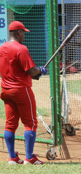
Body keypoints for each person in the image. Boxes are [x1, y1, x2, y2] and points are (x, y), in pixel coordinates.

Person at [0, 21, 47, 164]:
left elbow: (16, 68)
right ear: (18, 33)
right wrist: (40, 70)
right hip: (21, 90)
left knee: (10, 124)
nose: (24, 36)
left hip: (5, 90)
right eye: (23, 33)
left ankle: (12, 158)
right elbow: (31, 71)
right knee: (30, 123)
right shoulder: (21, 49)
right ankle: (29, 157)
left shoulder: (2, 47)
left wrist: (33, 74)